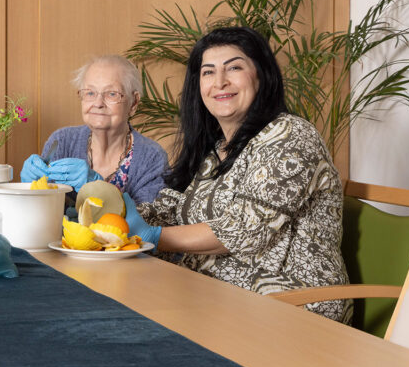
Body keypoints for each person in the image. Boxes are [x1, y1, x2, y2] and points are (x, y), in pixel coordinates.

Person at [124, 26, 350, 322]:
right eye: (208, 72)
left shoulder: (290, 136)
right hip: (216, 296)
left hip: (295, 302)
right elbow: (169, 212)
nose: (220, 82)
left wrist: (151, 237)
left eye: (234, 68)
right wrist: (104, 212)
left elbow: (245, 230)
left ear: (261, 75)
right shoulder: (215, 150)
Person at [20, 55, 168, 210]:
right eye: (90, 93)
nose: (98, 103)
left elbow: (148, 225)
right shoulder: (62, 141)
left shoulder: (152, 157)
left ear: (134, 102)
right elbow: (41, 211)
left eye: (111, 94)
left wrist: (98, 188)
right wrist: (28, 189)